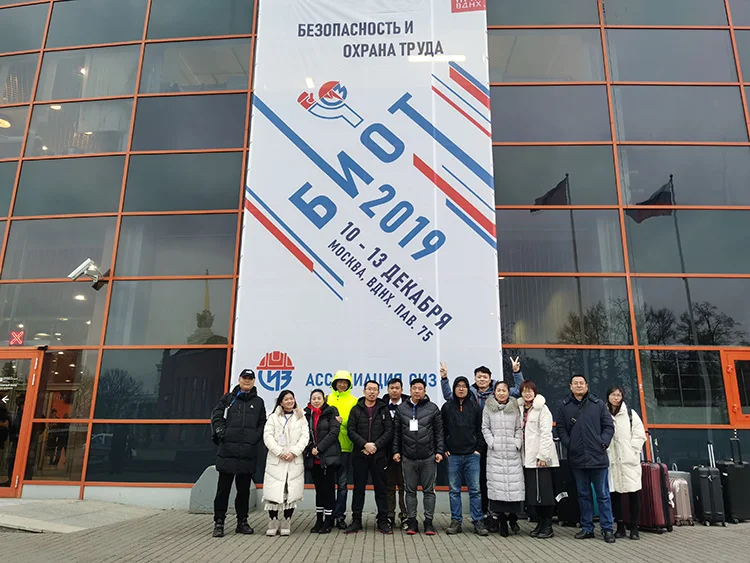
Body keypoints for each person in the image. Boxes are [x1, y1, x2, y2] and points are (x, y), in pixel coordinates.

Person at [440, 357, 524, 529]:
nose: (482, 379)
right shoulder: (470, 393)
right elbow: (450, 396)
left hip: (494, 445)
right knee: (481, 482)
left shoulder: (498, 391)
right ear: (475, 378)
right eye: (479, 377)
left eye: (485, 377)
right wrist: (444, 379)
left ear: (490, 378)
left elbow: (519, 391)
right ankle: (483, 516)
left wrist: (516, 372)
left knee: (491, 482)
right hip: (479, 444)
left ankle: (499, 516)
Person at [555, 374, 616, 544]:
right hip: (577, 458)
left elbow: (608, 427)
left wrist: (603, 443)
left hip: (598, 458)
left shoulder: (598, 405)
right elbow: (561, 429)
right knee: (583, 495)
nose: (579, 385)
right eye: (575, 383)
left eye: (581, 383)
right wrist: (570, 444)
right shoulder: (564, 407)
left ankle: (607, 529)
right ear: (570, 386)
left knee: (603, 495)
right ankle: (587, 528)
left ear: (587, 386)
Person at [209, 368, 266, 538]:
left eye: (250, 378)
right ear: (239, 379)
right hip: (227, 451)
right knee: (223, 490)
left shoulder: (259, 402)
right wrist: (222, 433)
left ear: (254, 381)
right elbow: (217, 416)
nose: (247, 381)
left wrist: (254, 438)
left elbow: (262, 423)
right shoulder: (228, 398)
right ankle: (219, 523)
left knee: (243, 491)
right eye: (244, 378)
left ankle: (242, 522)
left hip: (247, 452)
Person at [392, 378, 444, 535]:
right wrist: (396, 451)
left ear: (425, 391)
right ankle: (412, 521)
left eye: (420, 388)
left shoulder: (433, 408)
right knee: (410, 491)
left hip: (428, 457)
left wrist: (439, 451)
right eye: (414, 388)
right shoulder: (402, 409)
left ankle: (428, 522)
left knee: (429, 491)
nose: (417, 391)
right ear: (410, 390)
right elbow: (396, 433)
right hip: (408, 457)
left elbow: (439, 432)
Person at [441, 376, 488, 536]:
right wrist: (445, 448)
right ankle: (456, 521)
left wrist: (478, 449)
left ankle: (478, 521)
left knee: (475, 490)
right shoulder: (447, 407)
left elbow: (481, 429)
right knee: (454, 490)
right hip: (453, 455)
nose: (461, 389)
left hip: (472, 455)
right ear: (454, 388)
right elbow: (442, 429)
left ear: (468, 389)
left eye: (464, 386)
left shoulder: (475, 407)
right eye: (458, 386)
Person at [346, 381, 393, 534]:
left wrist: (375, 446)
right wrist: (364, 445)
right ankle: (356, 521)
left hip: (379, 456)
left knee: (381, 489)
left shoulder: (384, 409)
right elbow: (351, 431)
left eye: (375, 390)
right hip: (360, 455)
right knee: (358, 489)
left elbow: (389, 431)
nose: (372, 392)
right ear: (364, 391)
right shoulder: (356, 409)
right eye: (369, 389)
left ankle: (383, 521)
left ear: (379, 392)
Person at [263, 390, 309, 537]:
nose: (290, 401)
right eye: (286, 399)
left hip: (294, 460)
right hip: (277, 460)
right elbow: (267, 436)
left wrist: (294, 452)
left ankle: (286, 521)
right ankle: (273, 521)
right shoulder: (273, 417)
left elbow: (305, 437)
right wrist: (279, 452)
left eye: (292, 399)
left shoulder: (300, 417)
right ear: (281, 402)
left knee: (290, 493)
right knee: (274, 492)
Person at [517, 380, 559, 539]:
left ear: (535, 392)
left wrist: (543, 456)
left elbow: (546, 434)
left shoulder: (542, 409)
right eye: (524, 391)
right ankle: (540, 523)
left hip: (541, 457)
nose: (527, 393)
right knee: (535, 493)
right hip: (528, 457)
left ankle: (548, 525)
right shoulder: (521, 409)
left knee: (545, 492)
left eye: (530, 391)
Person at [482, 381, 524, 537]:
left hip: (512, 453)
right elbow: (485, 427)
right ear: (494, 392)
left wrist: (517, 443)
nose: (501, 393)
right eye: (498, 390)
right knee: (498, 487)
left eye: (504, 390)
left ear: (508, 392)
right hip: (496, 453)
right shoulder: (488, 407)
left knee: (513, 487)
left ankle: (513, 518)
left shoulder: (514, 407)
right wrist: (492, 442)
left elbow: (519, 428)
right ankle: (502, 521)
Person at [606, 386, 646, 540]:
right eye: (613, 395)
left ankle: (634, 527)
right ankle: (620, 527)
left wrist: (633, 450)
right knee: (615, 495)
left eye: (619, 395)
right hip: (612, 461)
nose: (616, 398)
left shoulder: (630, 414)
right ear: (608, 396)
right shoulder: (603, 413)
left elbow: (639, 434)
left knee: (633, 494)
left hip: (629, 461)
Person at [303, 389, 341, 534]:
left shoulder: (331, 412)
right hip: (314, 459)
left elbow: (334, 432)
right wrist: (311, 448)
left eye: (319, 398)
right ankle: (319, 519)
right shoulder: (307, 415)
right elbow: (303, 434)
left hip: (328, 457)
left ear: (324, 399)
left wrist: (319, 448)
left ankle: (328, 521)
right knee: (319, 490)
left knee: (329, 490)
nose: (316, 401)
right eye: (314, 398)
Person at [326, 370, 358, 530]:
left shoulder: (354, 400)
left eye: (345, 382)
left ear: (349, 384)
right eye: (339, 381)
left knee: (343, 484)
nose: (342, 384)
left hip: (345, 446)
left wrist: (341, 421)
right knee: (329, 484)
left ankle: (340, 516)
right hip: (328, 447)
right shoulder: (327, 398)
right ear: (335, 383)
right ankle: (328, 516)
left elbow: (355, 422)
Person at [383, 378, 408, 530]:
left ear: (402, 390)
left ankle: (405, 515)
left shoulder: (408, 405)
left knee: (404, 485)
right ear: (388, 390)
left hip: (405, 452)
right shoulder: (382, 405)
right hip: (386, 453)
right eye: (392, 388)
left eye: (397, 388)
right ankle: (389, 515)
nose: (394, 390)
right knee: (389, 485)